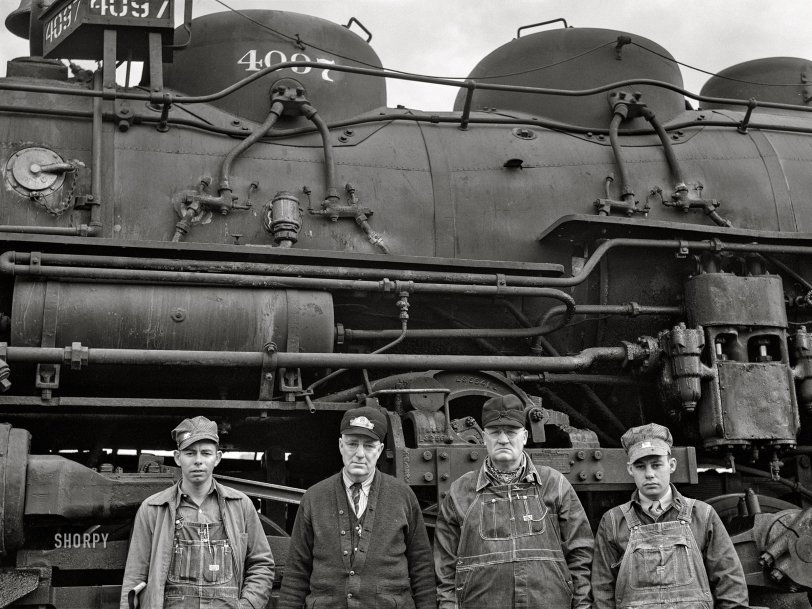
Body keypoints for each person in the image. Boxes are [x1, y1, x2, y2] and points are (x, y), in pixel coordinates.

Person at [434, 394, 594, 609]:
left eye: (511, 432)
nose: (503, 439)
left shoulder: (554, 484)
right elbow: (445, 567)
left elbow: (580, 553)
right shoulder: (460, 491)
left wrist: (582, 606)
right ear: (484, 437)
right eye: (494, 432)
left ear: (525, 436)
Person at [277, 405, 436, 609]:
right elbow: (296, 573)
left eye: (369, 446)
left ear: (379, 450)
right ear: (341, 446)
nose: (360, 453)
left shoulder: (403, 496)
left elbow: (422, 569)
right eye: (352, 444)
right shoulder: (314, 497)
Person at [120, 416, 274, 609]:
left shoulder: (241, 506)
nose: (198, 461)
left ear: (217, 458)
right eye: (190, 453)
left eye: (206, 453)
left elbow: (262, 565)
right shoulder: (153, 508)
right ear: (178, 458)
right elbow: (135, 575)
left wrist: (248, 605)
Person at [592, 422, 749, 609]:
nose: (649, 474)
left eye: (657, 465)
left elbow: (730, 581)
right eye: (640, 466)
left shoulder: (702, 515)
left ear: (671, 465)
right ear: (630, 469)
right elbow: (602, 589)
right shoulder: (613, 521)